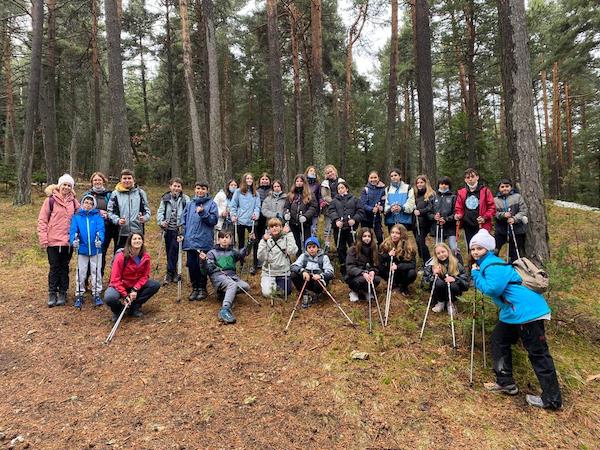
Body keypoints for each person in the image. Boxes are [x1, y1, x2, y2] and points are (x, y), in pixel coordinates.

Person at [469, 229, 562, 410]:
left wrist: (475, 275)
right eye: (473, 249)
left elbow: (492, 289)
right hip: (514, 313)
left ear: (488, 249)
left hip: (527, 313)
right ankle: (506, 382)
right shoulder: (490, 264)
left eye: (479, 248)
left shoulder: (492, 265)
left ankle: (552, 399)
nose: (475, 252)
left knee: (538, 354)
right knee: (499, 339)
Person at [38, 174, 80, 307]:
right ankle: (52, 293)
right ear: (59, 185)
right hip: (53, 241)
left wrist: (99, 213)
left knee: (64, 267)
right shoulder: (50, 200)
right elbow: (42, 220)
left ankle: (63, 292)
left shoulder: (74, 202)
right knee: (54, 267)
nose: (66, 187)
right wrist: (43, 238)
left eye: (69, 185)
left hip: (68, 242)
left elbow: (82, 215)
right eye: (64, 184)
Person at [104, 233, 161, 321]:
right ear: (130, 242)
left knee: (154, 285)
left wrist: (135, 289)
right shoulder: (121, 256)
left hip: (134, 285)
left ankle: (134, 307)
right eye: (134, 239)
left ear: (142, 241)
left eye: (139, 238)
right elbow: (115, 279)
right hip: (120, 285)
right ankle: (118, 310)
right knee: (110, 297)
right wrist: (125, 295)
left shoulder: (145, 257)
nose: (137, 241)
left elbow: (145, 276)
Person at [204, 230, 254, 324]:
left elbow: (243, 253)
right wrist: (203, 261)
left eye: (227, 237)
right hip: (219, 276)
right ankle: (225, 309)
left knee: (245, 286)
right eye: (222, 237)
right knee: (232, 285)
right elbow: (208, 269)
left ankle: (224, 294)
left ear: (231, 239)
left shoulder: (233, 251)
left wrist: (250, 242)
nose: (224, 240)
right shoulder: (212, 253)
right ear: (218, 240)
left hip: (232, 277)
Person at [180, 181, 218, 301]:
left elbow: (213, 221)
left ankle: (202, 288)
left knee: (202, 265)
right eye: (198, 188)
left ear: (207, 190)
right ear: (195, 189)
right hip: (190, 241)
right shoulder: (190, 204)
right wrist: (182, 233)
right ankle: (195, 287)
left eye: (203, 189)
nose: (200, 191)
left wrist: (203, 213)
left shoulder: (212, 204)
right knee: (192, 265)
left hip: (204, 240)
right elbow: (183, 220)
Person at [69, 194, 105, 308]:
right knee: (81, 272)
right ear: (82, 204)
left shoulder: (98, 217)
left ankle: (96, 293)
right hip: (82, 249)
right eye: (86, 202)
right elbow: (73, 231)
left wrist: (100, 239)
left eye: (90, 203)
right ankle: (79, 294)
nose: (88, 205)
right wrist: (73, 240)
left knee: (96, 271)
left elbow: (101, 230)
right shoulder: (77, 217)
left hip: (96, 249)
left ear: (93, 205)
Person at [81, 172, 116, 275]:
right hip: (89, 228)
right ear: (92, 182)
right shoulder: (87, 195)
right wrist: (97, 212)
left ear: (103, 181)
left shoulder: (109, 195)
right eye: (95, 180)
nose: (97, 182)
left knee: (101, 253)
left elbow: (115, 209)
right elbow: (81, 211)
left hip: (106, 228)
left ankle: (98, 278)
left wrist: (108, 214)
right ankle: (86, 278)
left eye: (99, 180)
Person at [107, 169, 151, 251]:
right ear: (121, 180)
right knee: (120, 255)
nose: (127, 180)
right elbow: (110, 212)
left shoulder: (140, 193)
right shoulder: (115, 194)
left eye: (129, 178)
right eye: (124, 178)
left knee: (137, 255)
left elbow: (147, 211)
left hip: (137, 232)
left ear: (133, 179)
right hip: (121, 232)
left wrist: (144, 218)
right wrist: (117, 220)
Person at [156, 177, 190, 283]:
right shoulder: (165, 198)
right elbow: (160, 211)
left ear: (182, 188)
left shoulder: (185, 199)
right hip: (168, 229)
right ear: (170, 186)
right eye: (174, 186)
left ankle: (171, 272)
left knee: (175, 250)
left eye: (179, 186)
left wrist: (185, 226)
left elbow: (188, 213)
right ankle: (172, 271)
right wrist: (161, 222)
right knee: (169, 250)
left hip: (179, 229)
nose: (176, 188)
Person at [327, 181, 364, 276]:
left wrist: (354, 219)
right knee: (340, 248)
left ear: (346, 188)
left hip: (351, 228)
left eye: (342, 187)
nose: (340, 190)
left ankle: (354, 267)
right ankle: (344, 269)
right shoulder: (334, 201)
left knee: (353, 247)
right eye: (338, 188)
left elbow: (360, 211)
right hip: (338, 229)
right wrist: (336, 220)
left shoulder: (355, 199)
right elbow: (331, 211)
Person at [422, 243, 469, 315]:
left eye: (443, 252)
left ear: (448, 251)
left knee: (453, 285)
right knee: (438, 283)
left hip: (452, 290)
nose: (441, 254)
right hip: (438, 292)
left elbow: (466, 284)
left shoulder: (456, 264)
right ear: (435, 255)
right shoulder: (431, 265)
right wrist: (433, 275)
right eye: (438, 253)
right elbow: (424, 284)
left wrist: (455, 279)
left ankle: (450, 303)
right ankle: (440, 302)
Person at [257, 218, 298, 298]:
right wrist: (263, 241)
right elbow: (260, 257)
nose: (274, 228)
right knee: (268, 293)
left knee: (285, 293)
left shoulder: (286, 237)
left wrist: (289, 234)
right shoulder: (265, 240)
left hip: (283, 272)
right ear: (269, 229)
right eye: (272, 227)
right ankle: (270, 285)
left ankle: (281, 285)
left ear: (281, 227)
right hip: (269, 273)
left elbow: (293, 251)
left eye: (276, 226)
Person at [454, 168, 495, 246]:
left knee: (482, 246)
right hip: (467, 224)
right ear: (465, 180)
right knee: (471, 246)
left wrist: (484, 217)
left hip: (482, 224)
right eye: (468, 177)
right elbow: (459, 207)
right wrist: (458, 214)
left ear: (477, 177)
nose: (470, 179)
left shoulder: (485, 191)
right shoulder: (461, 192)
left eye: (472, 176)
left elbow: (492, 207)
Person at [230, 172, 261, 274]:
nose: (249, 180)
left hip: (252, 221)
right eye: (247, 178)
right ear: (244, 180)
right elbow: (233, 205)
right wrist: (233, 215)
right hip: (240, 220)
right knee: (241, 242)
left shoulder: (255, 193)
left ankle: (255, 264)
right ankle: (241, 263)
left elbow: (257, 206)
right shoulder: (238, 192)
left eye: (251, 179)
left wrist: (256, 214)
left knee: (254, 242)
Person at [291, 237, 335, 308]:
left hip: (318, 280)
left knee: (318, 283)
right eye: (309, 247)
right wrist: (303, 271)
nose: (311, 249)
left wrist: (321, 276)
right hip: (306, 279)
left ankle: (317, 294)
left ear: (318, 247)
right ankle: (305, 294)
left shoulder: (324, 257)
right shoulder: (303, 256)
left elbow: (331, 273)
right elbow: (293, 266)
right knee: (293, 275)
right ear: (306, 249)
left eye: (314, 247)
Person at [494, 179, 528, 263]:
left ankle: (513, 266)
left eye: (507, 186)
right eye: (502, 187)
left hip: (517, 230)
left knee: (514, 252)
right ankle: (493, 265)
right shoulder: (495, 200)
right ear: (499, 188)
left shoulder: (517, 197)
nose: (505, 188)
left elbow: (523, 210)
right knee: (495, 248)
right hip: (501, 230)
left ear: (511, 187)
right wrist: (503, 215)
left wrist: (514, 219)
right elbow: (494, 213)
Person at [284, 174, 318, 256]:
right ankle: (298, 258)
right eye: (297, 181)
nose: (299, 183)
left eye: (301, 181)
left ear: (304, 182)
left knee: (307, 241)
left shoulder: (309, 194)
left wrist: (306, 216)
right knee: (296, 242)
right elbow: (286, 207)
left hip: (305, 223)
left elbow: (313, 207)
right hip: (293, 223)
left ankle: (308, 257)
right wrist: (286, 214)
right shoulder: (291, 194)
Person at [379, 224, 417, 296]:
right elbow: (379, 260)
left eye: (397, 233)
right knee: (379, 268)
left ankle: (403, 286)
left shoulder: (408, 247)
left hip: (402, 272)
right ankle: (392, 285)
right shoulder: (385, 244)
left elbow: (413, 264)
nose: (394, 235)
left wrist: (398, 266)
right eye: (392, 232)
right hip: (389, 271)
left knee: (412, 273)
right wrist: (388, 255)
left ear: (402, 235)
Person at [345, 227, 380, 302]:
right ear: (360, 237)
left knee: (376, 279)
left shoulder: (374, 249)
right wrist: (362, 273)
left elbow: (376, 265)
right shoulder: (353, 250)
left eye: (369, 236)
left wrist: (373, 271)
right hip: (355, 276)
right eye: (364, 236)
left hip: (368, 274)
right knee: (361, 280)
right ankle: (354, 292)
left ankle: (366, 291)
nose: (367, 238)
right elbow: (350, 267)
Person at [429, 176, 460, 259]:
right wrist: (434, 217)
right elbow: (429, 212)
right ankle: (441, 265)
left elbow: (456, 212)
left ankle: (456, 264)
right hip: (437, 227)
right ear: (438, 185)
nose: (443, 186)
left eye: (446, 184)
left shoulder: (453, 197)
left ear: (449, 185)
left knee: (453, 248)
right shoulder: (433, 197)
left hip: (450, 228)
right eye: (441, 184)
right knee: (439, 250)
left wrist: (446, 219)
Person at [320, 165, 345, 249]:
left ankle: (339, 247)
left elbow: (345, 192)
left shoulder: (341, 181)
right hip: (328, 209)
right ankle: (327, 246)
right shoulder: (324, 184)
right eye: (328, 173)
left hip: (341, 208)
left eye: (331, 171)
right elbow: (324, 196)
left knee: (340, 227)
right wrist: (334, 202)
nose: (330, 174)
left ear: (335, 171)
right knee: (327, 229)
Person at [413, 174, 435, 265]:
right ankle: (422, 260)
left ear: (426, 183)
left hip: (425, 222)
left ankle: (427, 261)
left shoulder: (430, 194)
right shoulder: (415, 194)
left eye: (421, 182)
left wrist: (421, 212)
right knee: (418, 242)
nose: (419, 184)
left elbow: (431, 207)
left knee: (420, 241)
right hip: (416, 222)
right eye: (418, 183)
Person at [384, 168, 415, 233]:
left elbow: (411, 203)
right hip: (391, 220)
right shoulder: (387, 189)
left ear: (400, 176)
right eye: (391, 176)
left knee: (403, 238)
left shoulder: (408, 188)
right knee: (392, 238)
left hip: (404, 220)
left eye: (395, 175)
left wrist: (401, 208)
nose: (393, 177)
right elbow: (386, 204)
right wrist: (390, 209)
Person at [360, 171, 386, 244]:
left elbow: (384, 202)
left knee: (379, 237)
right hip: (365, 218)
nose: (373, 179)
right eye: (371, 178)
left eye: (375, 177)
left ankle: (379, 250)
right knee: (365, 238)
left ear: (378, 178)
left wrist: (381, 208)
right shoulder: (365, 189)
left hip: (377, 218)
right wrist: (371, 209)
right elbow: (363, 204)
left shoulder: (383, 190)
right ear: (368, 179)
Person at [254, 173, 273, 269]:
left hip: (269, 218)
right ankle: (259, 260)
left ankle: (270, 260)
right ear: (259, 181)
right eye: (263, 179)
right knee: (259, 239)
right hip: (259, 218)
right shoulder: (256, 191)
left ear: (269, 181)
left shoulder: (272, 191)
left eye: (266, 179)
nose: (264, 181)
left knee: (270, 238)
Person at [304, 166, 321, 236]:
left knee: (313, 229)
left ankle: (313, 241)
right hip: (305, 209)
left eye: (314, 171)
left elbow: (319, 197)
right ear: (307, 172)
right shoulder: (304, 183)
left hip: (315, 210)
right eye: (311, 171)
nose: (312, 172)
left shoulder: (318, 185)